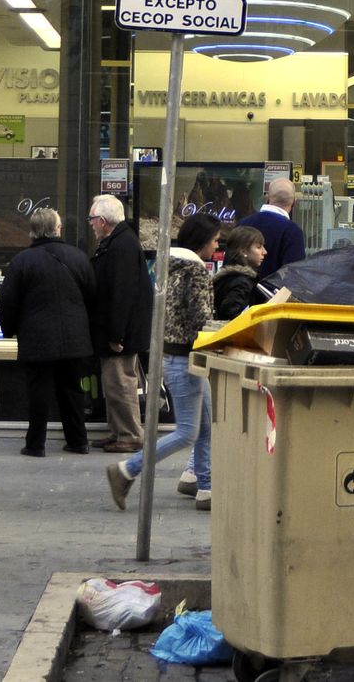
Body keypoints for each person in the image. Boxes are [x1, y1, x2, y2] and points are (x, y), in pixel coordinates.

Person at [106, 213, 220, 512]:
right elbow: (200, 318)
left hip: (175, 356)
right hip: (187, 359)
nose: (217, 247)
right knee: (187, 432)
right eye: (215, 241)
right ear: (203, 242)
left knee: (206, 425)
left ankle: (205, 487)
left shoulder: (167, 265)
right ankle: (127, 469)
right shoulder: (195, 271)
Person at [0, 208, 96, 457]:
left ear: (32, 231)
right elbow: (92, 297)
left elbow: (7, 301)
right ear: (57, 229)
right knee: (73, 390)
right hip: (75, 338)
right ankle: (78, 440)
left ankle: (35, 444)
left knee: (38, 392)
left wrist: (9, 330)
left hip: (37, 339)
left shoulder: (22, 261)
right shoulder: (78, 257)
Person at [87, 194, 153, 454]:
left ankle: (130, 434)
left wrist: (116, 334)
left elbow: (120, 293)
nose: (90, 224)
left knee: (121, 382)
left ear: (103, 221)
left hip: (120, 333)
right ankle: (117, 431)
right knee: (113, 384)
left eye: (92, 219)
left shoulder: (121, 245)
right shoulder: (118, 241)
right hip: (118, 329)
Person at [235, 178, 305, 282]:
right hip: (274, 296)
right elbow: (294, 277)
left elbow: (230, 267)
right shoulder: (293, 232)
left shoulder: (243, 224)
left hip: (240, 294)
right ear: (294, 203)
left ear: (267, 198)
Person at [212, 225, 267, 320]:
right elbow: (231, 315)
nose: (264, 252)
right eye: (258, 247)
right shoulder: (241, 282)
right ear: (243, 251)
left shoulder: (229, 277)